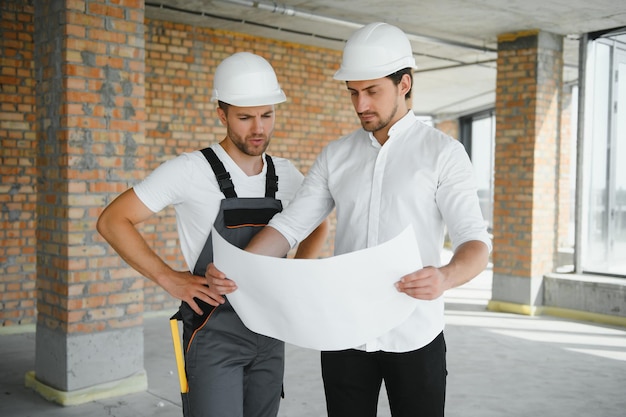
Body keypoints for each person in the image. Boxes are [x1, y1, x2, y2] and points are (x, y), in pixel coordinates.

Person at [205, 23, 492, 417]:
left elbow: (475, 242)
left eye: (372, 91)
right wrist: (241, 268)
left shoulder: (443, 154)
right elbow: (289, 227)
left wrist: (444, 276)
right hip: (343, 332)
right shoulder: (336, 155)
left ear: (404, 84)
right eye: (353, 93)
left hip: (414, 332)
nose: (360, 105)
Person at [96, 51, 329, 417]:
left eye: (267, 115)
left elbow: (318, 222)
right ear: (222, 114)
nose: (258, 129)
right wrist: (170, 279)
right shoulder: (190, 171)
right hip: (213, 332)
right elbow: (113, 220)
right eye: (245, 117)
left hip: (270, 331)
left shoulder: (287, 174)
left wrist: (295, 274)